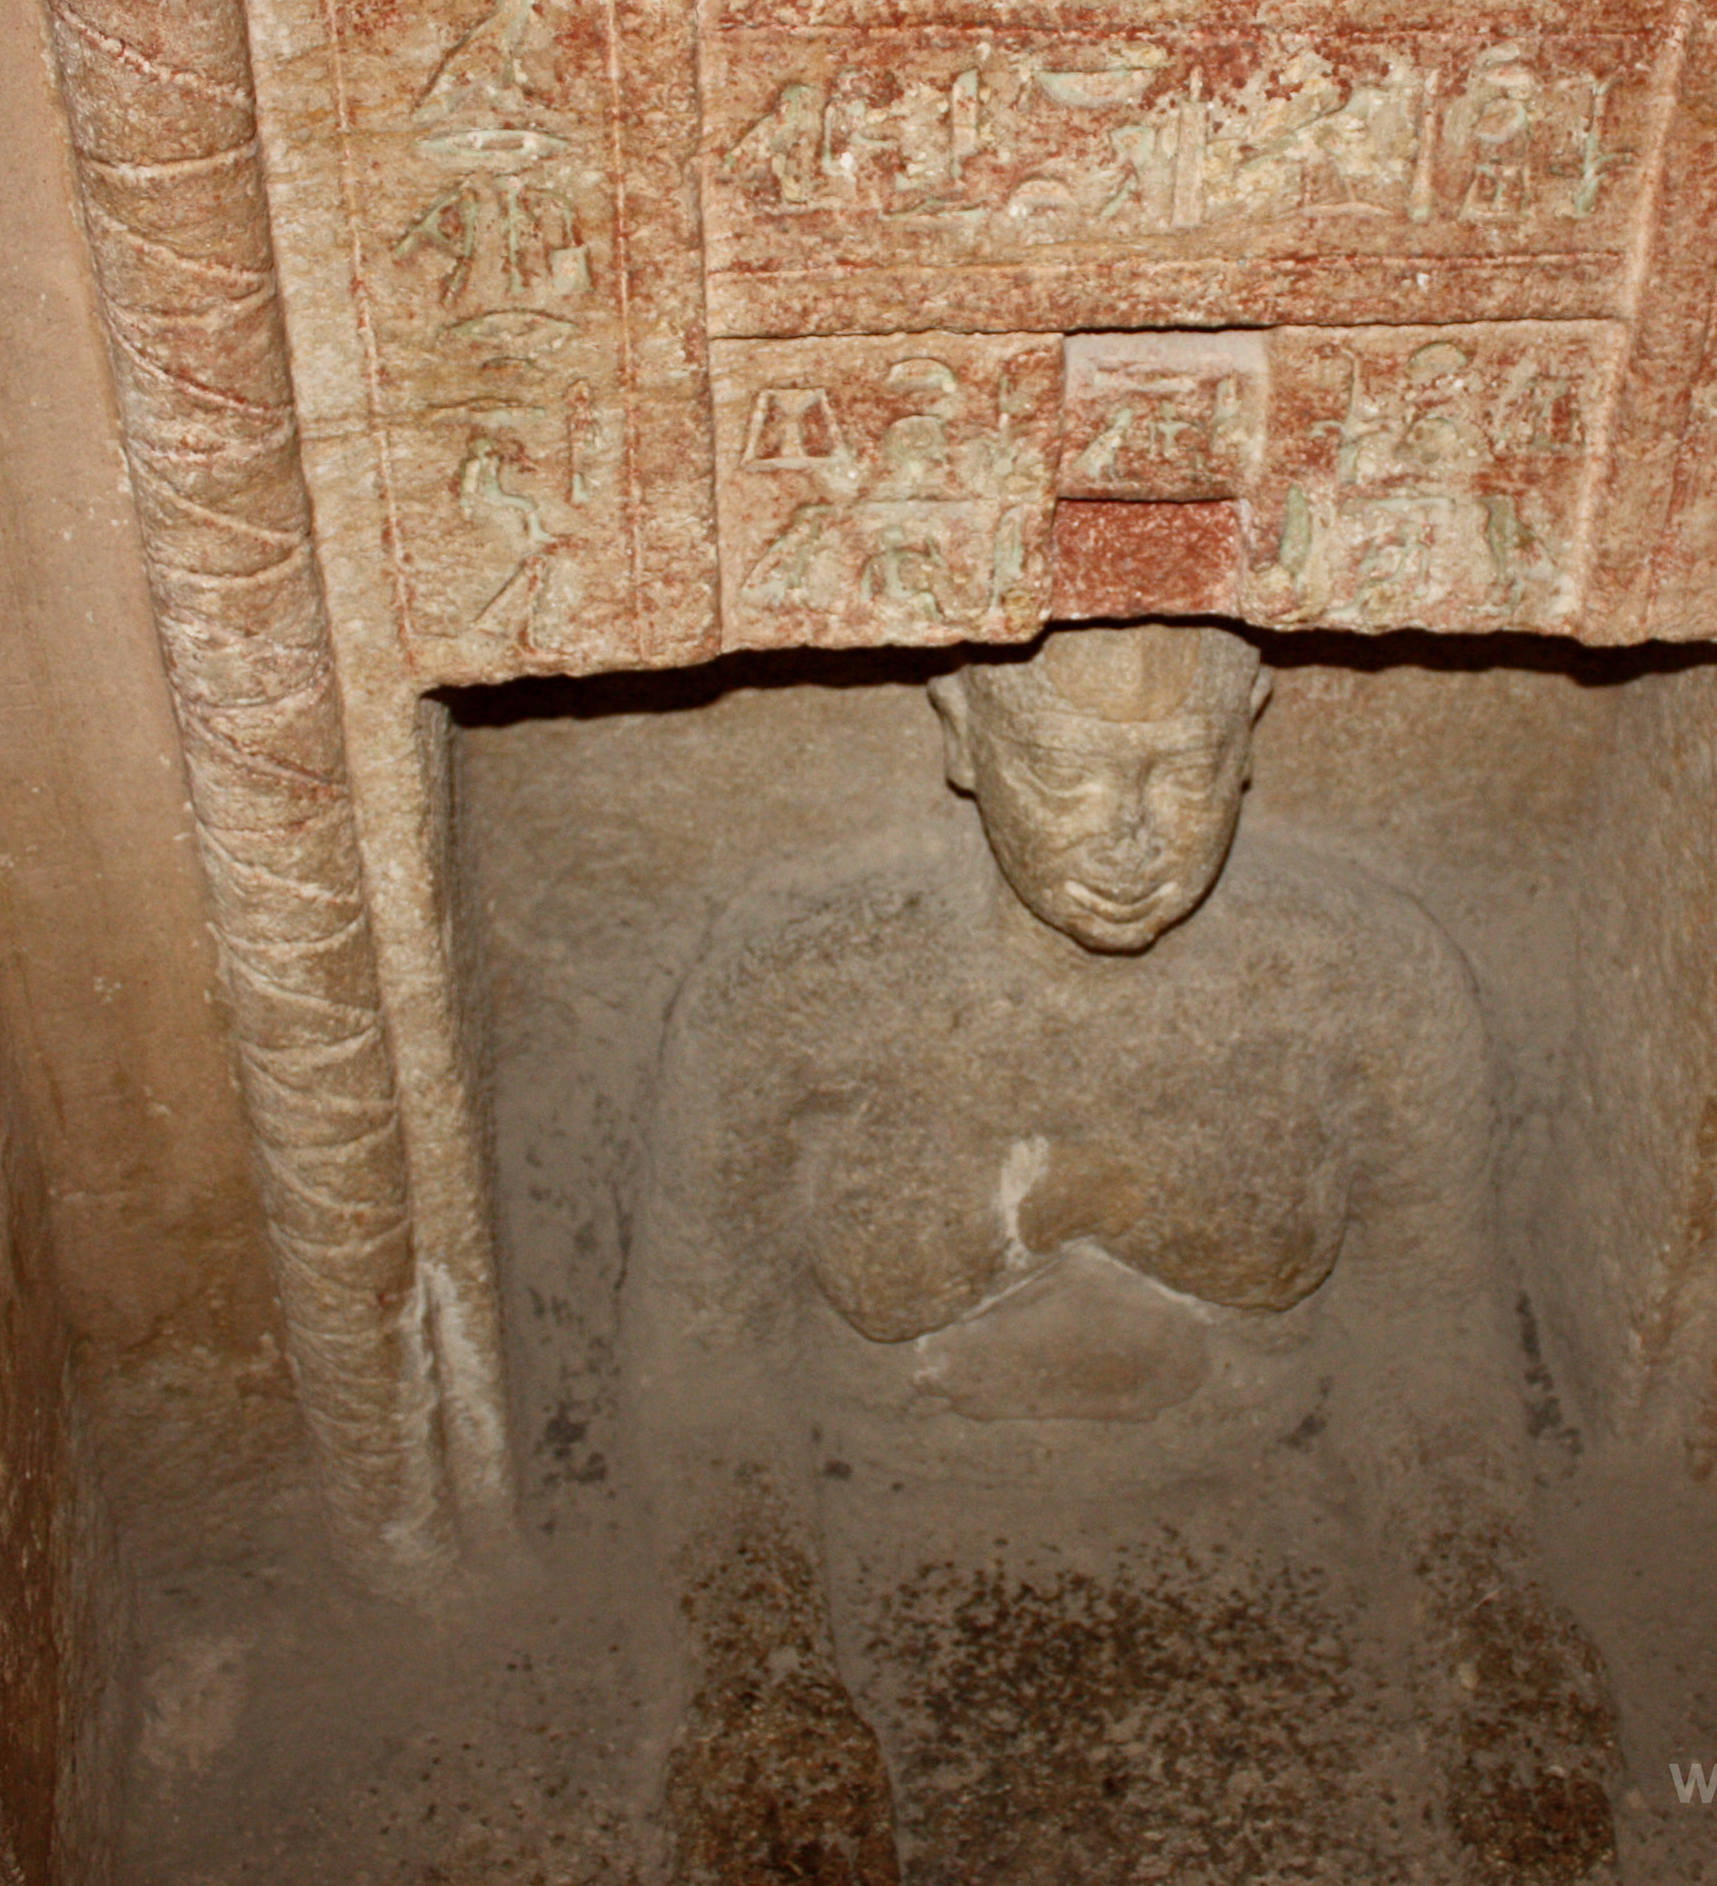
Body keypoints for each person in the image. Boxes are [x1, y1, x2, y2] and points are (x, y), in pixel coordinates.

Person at [627, 623, 1614, 1882]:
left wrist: (1487, 1622)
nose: (1130, 837)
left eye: (1182, 770)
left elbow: (1430, 1336)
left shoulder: (1358, 984)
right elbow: (702, 1369)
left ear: (1249, 736)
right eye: (1065, 771)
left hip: (1271, 1537)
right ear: (963, 737)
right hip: (881, 1523)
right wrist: (760, 1673)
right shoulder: (800, 999)